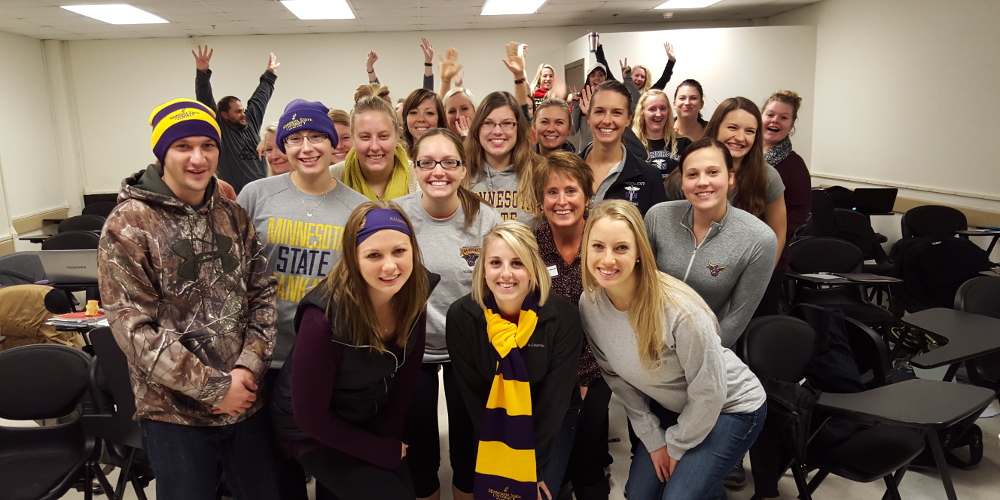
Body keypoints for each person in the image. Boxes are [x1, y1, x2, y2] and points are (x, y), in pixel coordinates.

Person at [98, 98, 279, 500]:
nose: (198, 158)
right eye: (183, 146)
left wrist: (248, 368)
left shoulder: (232, 215)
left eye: (208, 145)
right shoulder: (128, 224)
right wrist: (215, 388)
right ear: (162, 154)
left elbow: (262, 294)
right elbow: (133, 329)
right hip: (173, 414)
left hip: (246, 400)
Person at [579, 199, 766, 500]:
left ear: (639, 252)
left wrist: (677, 446)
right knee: (639, 495)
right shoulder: (590, 304)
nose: (608, 259)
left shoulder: (679, 311)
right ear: (585, 249)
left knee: (679, 496)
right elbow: (615, 377)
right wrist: (654, 439)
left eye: (621, 248)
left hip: (732, 406)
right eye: (598, 246)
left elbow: (709, 392)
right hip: (677, 407)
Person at [270, 201, 434, 500]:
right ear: (352, 258)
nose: (390, 266)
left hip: (363, 414)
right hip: (310, 430)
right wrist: (379, 450)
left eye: (399, 251)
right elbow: (311, 417)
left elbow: (405, 379)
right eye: (374, 255)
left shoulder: (413, 295)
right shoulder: (323, 319)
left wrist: (389, 440)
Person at [394, 128, 503, 500]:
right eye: (427, 162)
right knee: (418, 447)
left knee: (470, 445)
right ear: (415, 167)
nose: (438, 171)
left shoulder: (486, 220)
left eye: (448, 162)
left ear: (463, 168)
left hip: (469, 346)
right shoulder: (396, 215)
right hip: (412, 346)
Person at [447, 221, 583, 500]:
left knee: (538, 491)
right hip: (492, 415)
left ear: (533, 268)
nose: (506, 273)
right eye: (495, 262)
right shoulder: (461, 316)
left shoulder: (563, 316)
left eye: (517, 263)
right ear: (483, 269)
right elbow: (475, 398)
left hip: (550, 419)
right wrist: (503, 462)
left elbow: (554, 401)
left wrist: (531, 468)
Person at [531, 152, 612, 499]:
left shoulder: (605, 241)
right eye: (552, 192)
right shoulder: (530, 246)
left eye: (571, 191)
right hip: (546, 374)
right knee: (548, 459)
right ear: (541, 199)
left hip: (598, 369)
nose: (561, 201)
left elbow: (620, 315)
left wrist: (582, 378)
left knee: (586, 455)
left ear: (587, 196)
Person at [644, 138, 777, 349]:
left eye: (713, 172)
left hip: (711, 347)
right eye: (692, 174)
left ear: (730, 177)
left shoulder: (759, 239)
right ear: (682, 181)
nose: (702, 182)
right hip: (650, 339)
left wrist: (700, 353)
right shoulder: (658, 217)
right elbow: (642, 283)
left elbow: (738, 316)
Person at [193, 45, 278, 193]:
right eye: (238, 112)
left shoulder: (250, 123)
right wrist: (202, 74)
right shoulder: (220, 130)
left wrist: (270, 74)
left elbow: (260, 100)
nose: (243, 114)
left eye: (242, 110)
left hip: (263, 192)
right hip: (235, 196)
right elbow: (205, 100)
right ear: (224, 115)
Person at [757, 90, 811, 315]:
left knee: (759, 319)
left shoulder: (795, 165)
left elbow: (800, 211)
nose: (775, 121)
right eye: (770, 114)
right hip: (733, 250)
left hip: (770, 254)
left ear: (791, 124)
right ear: (760, 116)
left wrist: (769, 230)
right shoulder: (741, 154)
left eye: (783, 117)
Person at [581, 81, 667, 216]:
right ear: (589, 117)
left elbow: (657, 227)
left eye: (616, 113)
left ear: (628, 119)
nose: (607, 120)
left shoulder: (649, 176)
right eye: (599, 111)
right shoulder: (569, 170)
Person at [331, 84, 418, 200]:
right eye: (365, 137)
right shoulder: (331, 178)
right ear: (353, 139)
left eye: (383, 136)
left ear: (397, 136)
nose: (375, 147)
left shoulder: (419, 178)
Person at [466, 91, 539, 223]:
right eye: (488, 123)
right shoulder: (461, 174)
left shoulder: (539, 172)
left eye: (506, 123)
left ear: (518, 127)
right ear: (477, 128)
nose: (497, 131)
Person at [632, 89, 691, 180]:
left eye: (663, 108)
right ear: (642, 112)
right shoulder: (631, 146)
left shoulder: (685, 145)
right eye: (652, 109)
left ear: (668, 111)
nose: (658, 114)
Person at [615, 42, 677, 108]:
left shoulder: (649, 95)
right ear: (631, 76)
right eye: (636, 75)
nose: (639, 79)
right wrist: (627, 80)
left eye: (642, 77)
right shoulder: (619, 91)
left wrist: (671, 61)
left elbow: (664, 79)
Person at [401, 87, 445, 157]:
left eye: (429, 113)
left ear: (439, 118)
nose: (421, 119)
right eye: (414, 112)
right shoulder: (397, 159)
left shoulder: (450, 158)